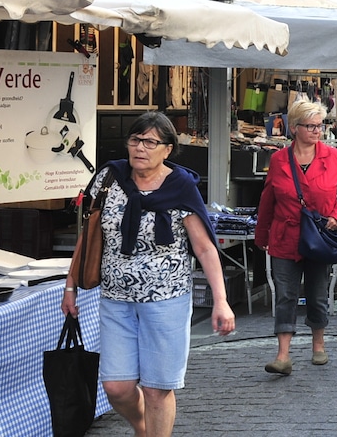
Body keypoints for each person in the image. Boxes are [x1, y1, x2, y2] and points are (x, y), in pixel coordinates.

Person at [62, 112, 235, 437]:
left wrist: (221, 301)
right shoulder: (109, 178)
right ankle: (144, 428)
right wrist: (70, 286)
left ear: (167, 149)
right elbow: (89, 235)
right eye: (135, 140)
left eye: (150, 142)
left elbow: (204, 248)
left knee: (157, 389)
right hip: (115, 299)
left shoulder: (181, 187)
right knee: (116, 387)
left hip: (166, 301)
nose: (140, 148)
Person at [256, 100, 337, 375]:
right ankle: (283, 355)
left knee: (317, 293)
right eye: (310, 126)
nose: (316, 131)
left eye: (319, 126)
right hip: (285, 236)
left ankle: (318, 345)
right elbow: (268, 199)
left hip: (320, 236)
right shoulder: (279, 160)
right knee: (285, 295)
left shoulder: (333, 157)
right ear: (295, 128)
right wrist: (261, 234)